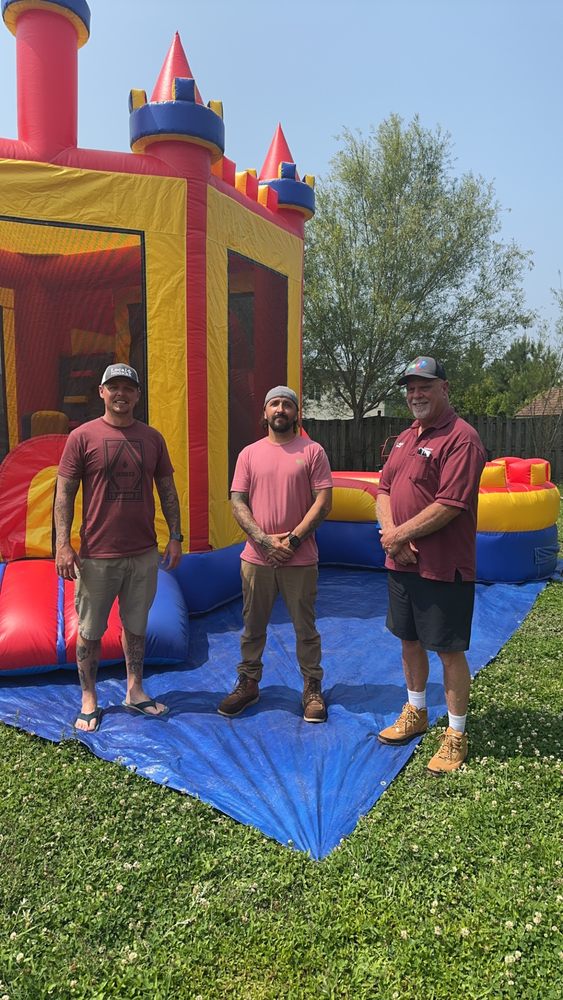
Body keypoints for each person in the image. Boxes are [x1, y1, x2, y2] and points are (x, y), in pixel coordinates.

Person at [55, 363, 183, 733]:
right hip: (96, 555)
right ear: (102, 392)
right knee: (90, 631)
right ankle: (89, 697)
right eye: (114, 388)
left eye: (128, 388)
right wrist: (63, 544)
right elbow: (64, 493)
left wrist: (176, 535)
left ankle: (135, 690)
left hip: (143, 552)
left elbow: (168, 491)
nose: (121, 394)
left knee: (136, 627)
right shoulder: (81, 437)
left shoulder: (153, 438)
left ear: (138, 395)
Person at [376, 356, 486, 774]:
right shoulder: (405, 437)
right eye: (410, 388)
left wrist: (399, 536)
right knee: (408, 639)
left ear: (444, 388)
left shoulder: (462, 438)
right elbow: (383, 489)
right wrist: (392, 536)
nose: (416, 394)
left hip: (443, 567)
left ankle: (456, 734)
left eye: (424, 386)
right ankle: (416, 711)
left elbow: (450, 505)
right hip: (401, 563)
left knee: (449, 650)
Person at [218, 385, 333, 723]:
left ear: (297, 413)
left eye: (287, 404)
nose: (281, 409)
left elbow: (324, 503)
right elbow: (237, 501)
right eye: (274, 404)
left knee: (305, 628)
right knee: (252, 626)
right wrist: (264, 541)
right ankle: (249, 683)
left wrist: (292, 541)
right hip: (256, 558)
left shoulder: (312, 452)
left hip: (300, 558)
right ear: (264, 413)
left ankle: (312, 687)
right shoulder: (249, 454)